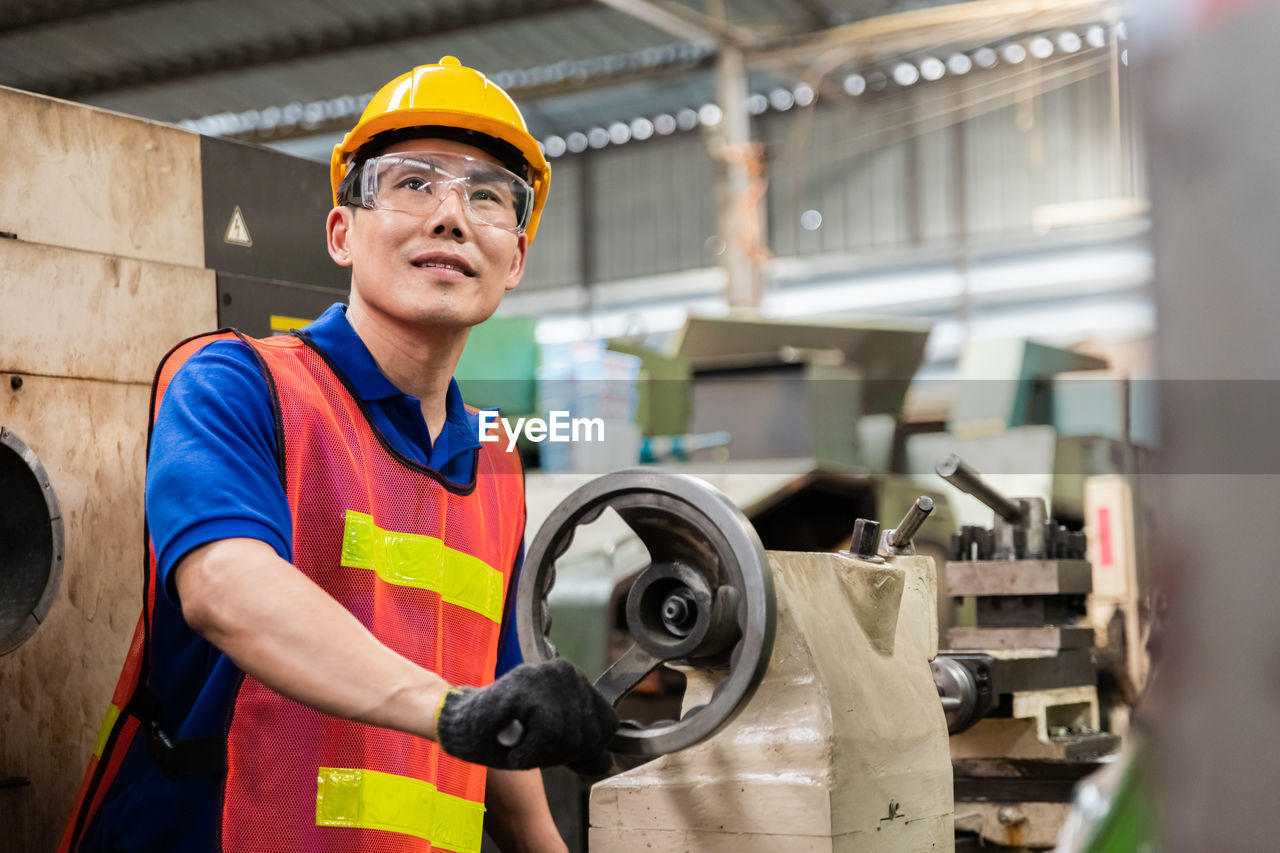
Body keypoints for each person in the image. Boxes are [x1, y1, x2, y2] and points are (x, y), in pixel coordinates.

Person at [60, 56, 618, 853]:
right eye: (412, 182)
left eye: (487, 194)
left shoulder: (496, 466)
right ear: (342, 232)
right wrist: (447, 711)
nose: (452, 215)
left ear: (515, 258)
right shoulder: (235, 385)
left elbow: (500, 703)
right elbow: (226, 587)